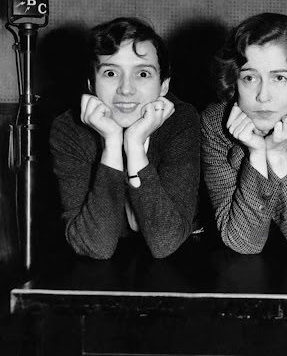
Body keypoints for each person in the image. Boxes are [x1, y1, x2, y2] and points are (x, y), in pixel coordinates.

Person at [49, 18, 200, 259]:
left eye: (142, 73)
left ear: (163, 86)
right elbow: (95, 246)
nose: (126, 89)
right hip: (96, 271)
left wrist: (134, 146)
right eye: (110, 73)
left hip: (179, 263)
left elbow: (166, 241)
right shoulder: (69, 129)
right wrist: (111, 144)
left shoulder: (181, 121)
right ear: (91, 84)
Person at [201, 13, 287, 254]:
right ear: (234, 81)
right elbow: (244, 243)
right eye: (249, 77)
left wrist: (277, 155)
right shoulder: (215, 123)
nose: (263, 96)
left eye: (279, 77)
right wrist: (257, 153)